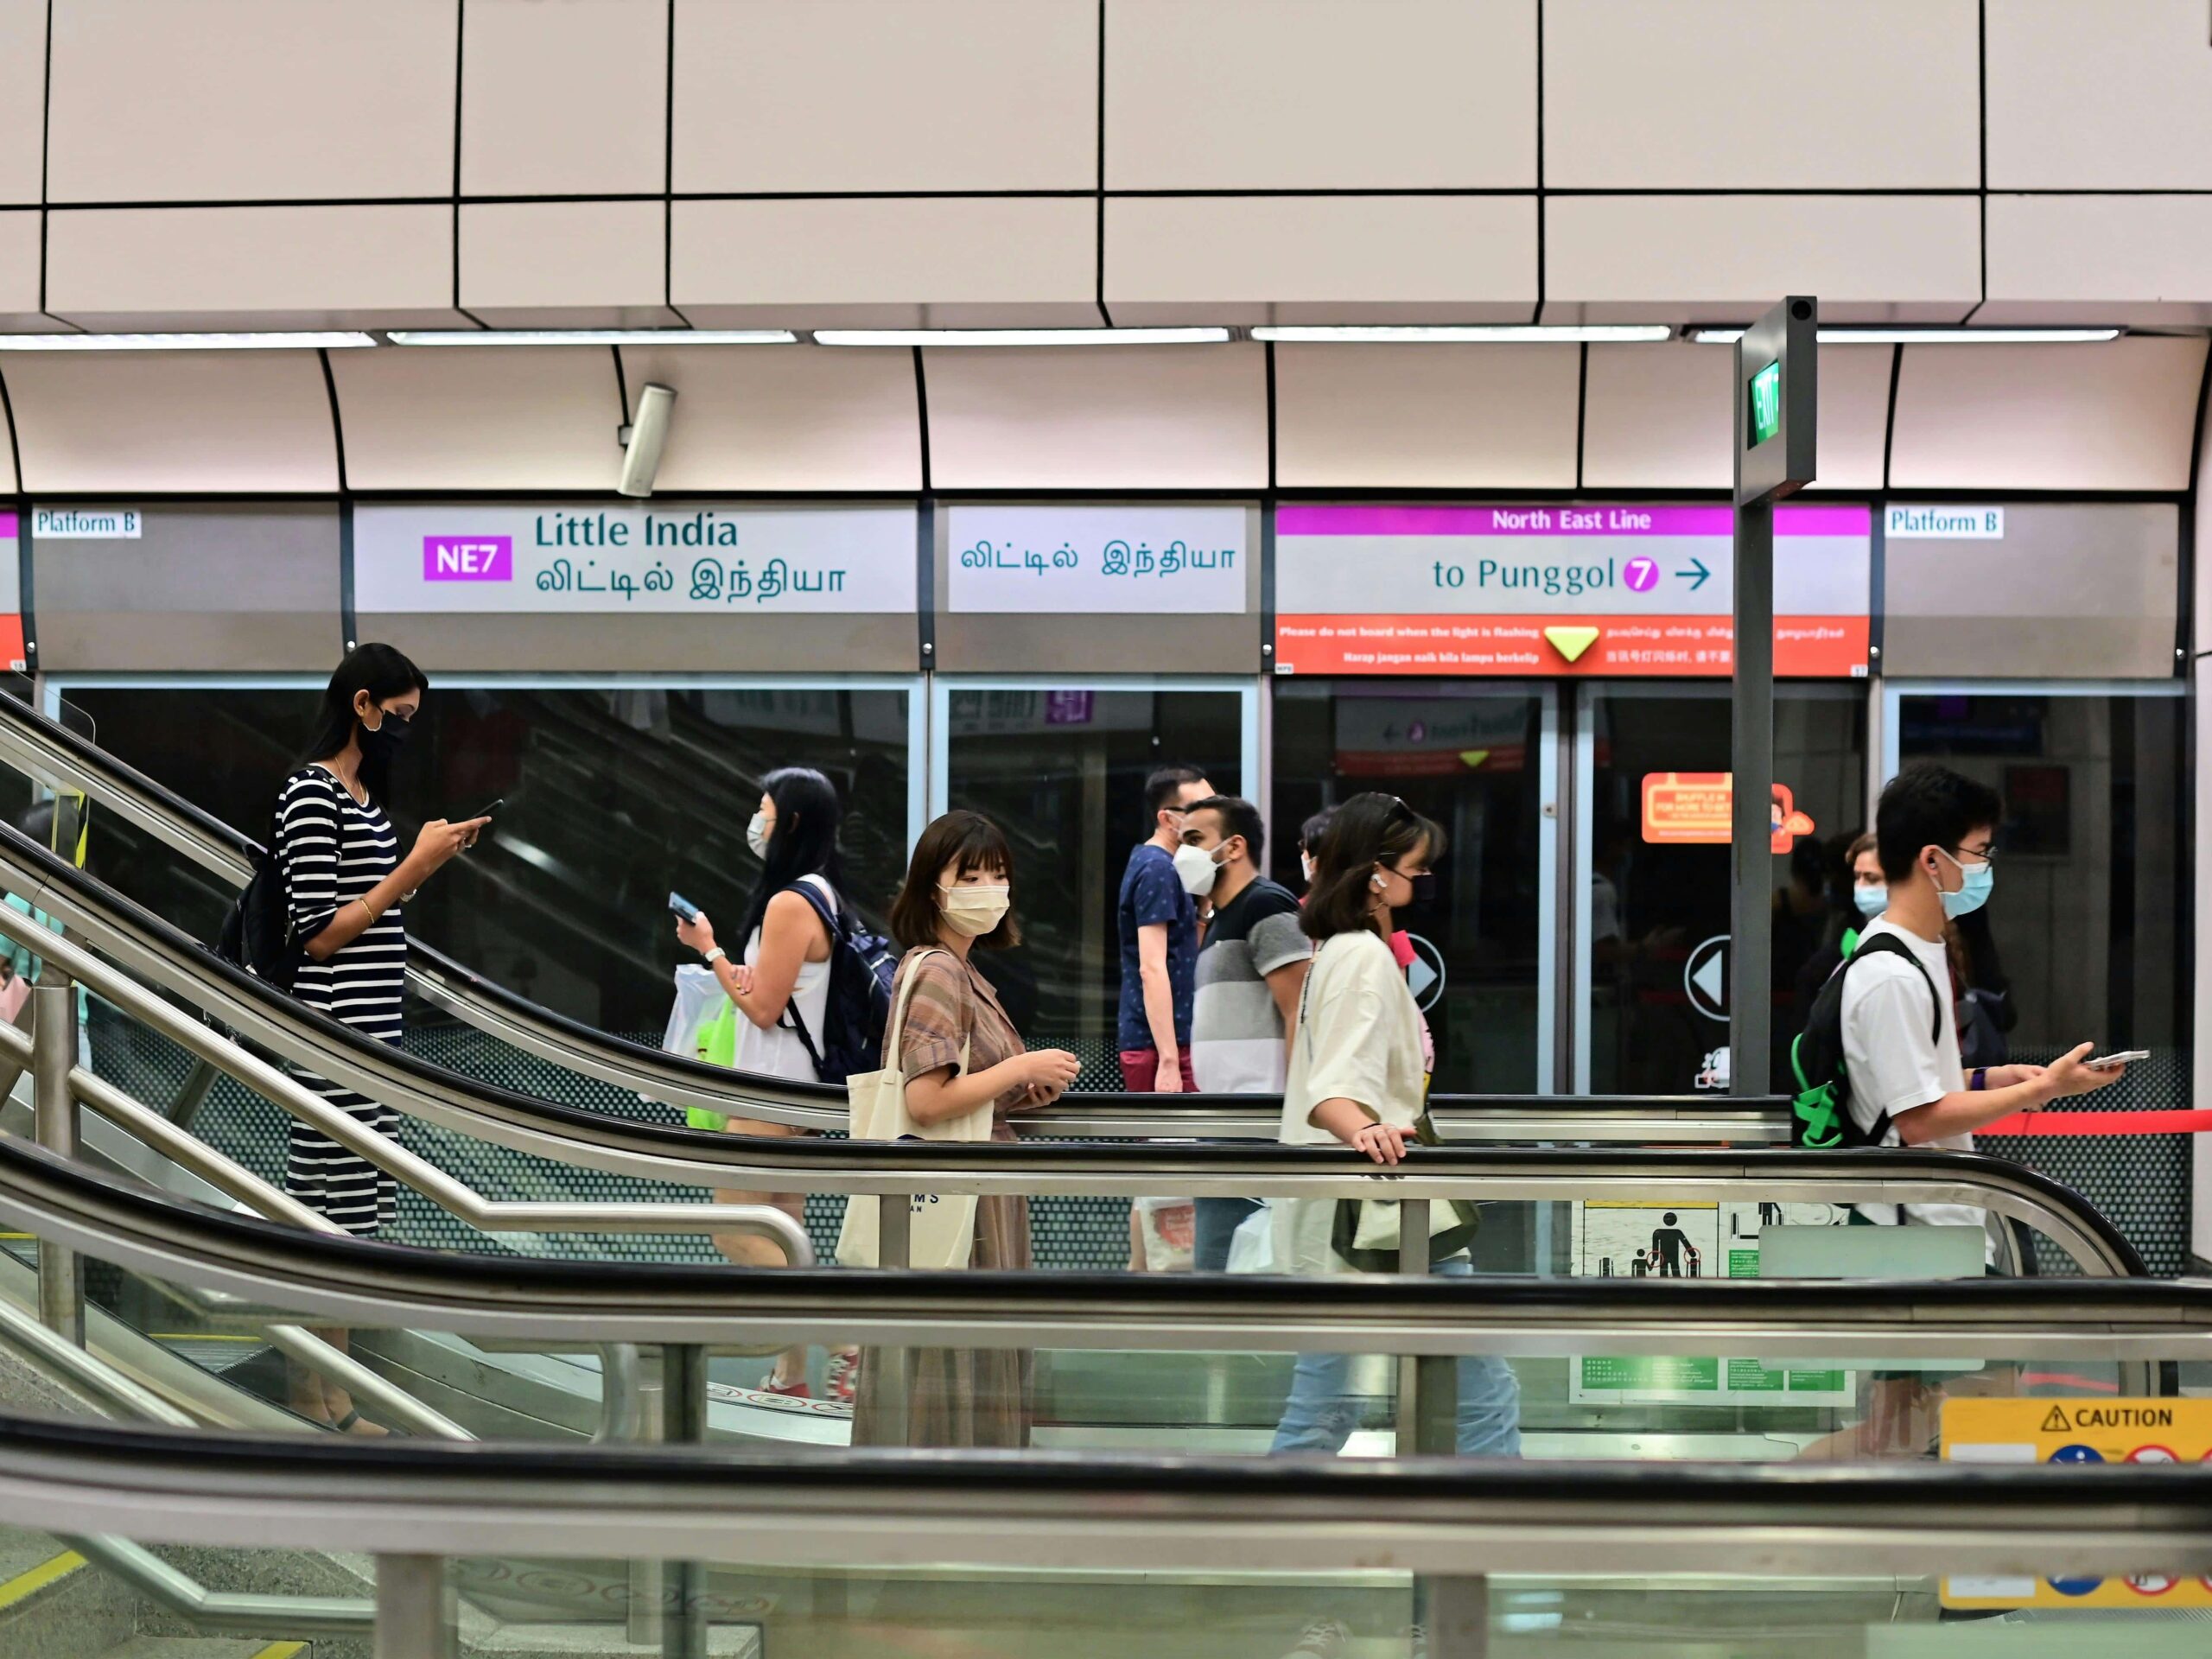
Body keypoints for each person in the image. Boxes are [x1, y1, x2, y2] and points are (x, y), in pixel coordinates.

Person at [1811, 765, 2125, 1457]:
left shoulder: (1918, 956)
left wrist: (1989, 1075)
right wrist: (2043, 1089)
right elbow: (1918, 1120)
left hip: (1929, 1231)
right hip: (1918, 1238)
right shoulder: (1890, 973)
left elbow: (1915, 1085)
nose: (1985, 869)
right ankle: (1753, 1519)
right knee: (1962, 1423)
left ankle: (1767, 1524)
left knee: (1902, 1434)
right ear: (1933, 860)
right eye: (1979, 853)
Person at [1269, 792, 1520, 1458]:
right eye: (1416, 867)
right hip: (1383, 1209)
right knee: (1483, 1397)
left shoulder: (1342, 950)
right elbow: (1333, 1091)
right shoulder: (1361, 958)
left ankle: (1267, 1532)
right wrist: (1363, 1129)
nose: (1422, 880)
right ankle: (1510, 1526)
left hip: (1367, 1217)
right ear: (1376, 873)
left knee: (1326, 1404)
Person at [276, 644, 484, 1433]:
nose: (404, 732)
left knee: (352, 1220)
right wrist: (412, 869)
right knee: (322, 1221)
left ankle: (333, 1395)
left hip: (370, 1041)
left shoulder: (360, 795)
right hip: (331, 1038)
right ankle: (311, 1395)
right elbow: (319, 934)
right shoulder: (310, 794)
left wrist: (424, 859)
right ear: (361, 705)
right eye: (397, 717)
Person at [851, 810, 1080, 1448]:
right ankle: (950, 1496)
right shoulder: (941, 972)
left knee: (953, 1352)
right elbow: (927, 1100)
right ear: (934, 887)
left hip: (970, 1192)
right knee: (958, 1355)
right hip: (963, 1201)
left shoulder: (952, 968)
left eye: (998, 874)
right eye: (970, 874)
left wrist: (1018, 1089)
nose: (989, 888)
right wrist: (1022, 1065)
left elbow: (959, 1090)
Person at [675, 766, 856, 1402]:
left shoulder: (789, 902)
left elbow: (763, 1008)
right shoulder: (823, 894)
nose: (756, 821)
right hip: (796, 1088)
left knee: (734, 1228)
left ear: (793, 822)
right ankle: (792, 1373)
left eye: (766, 810)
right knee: (785, 1229)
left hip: (769, 1089)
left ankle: (849, 1345)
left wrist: (710, 951)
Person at [1181, 795, 1309, 1270]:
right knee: (1218, 1270)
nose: (1183, 854)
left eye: (1195, 839)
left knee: (1231, 1275)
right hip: (1224, 1121)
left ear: (1233, 847)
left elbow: (1299, 1007)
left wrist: (1295, 1115)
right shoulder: (1218, 919)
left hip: (1257, 1124)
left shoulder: (1264, 904)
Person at [1117, 764, 1214, 1094]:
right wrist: (1169, 1060)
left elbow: (1184, 951)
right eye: (1199, 810)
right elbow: (1152, 967)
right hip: (1158, 1046)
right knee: (1165, 1144)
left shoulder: (1177, 865)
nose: (1212, 818)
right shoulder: (1157, 868)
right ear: (1167, 819)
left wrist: (1203, 906)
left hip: (1176, 1038)